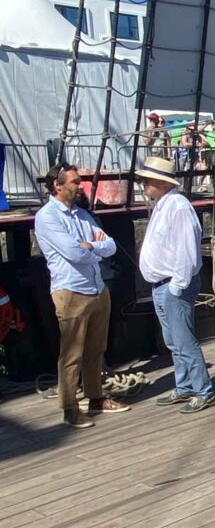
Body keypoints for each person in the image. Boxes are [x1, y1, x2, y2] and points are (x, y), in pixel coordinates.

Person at [34, 164, 130, 428]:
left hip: (97, 288)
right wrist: (93, 248)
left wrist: (93, 246)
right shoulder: (48, 217)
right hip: (71, 290)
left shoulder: (83, 215)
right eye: (75, 182)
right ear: (58, 185)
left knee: (96, 349)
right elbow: (73, 253)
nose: (80, 186)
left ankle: (96, 397)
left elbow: (110, 246)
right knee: (71, 354)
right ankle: (70, 408)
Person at [135, 156, 215, 412]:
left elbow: (186, 250)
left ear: (160, 181)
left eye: (147, 180)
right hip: (162, 284)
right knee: (173, 340)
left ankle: (203, 391)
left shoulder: (178, 207)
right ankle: (185, 386)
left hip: (173, 284)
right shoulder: (163, 204)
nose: (143, 184)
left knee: (184, 340)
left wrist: (177, 285)